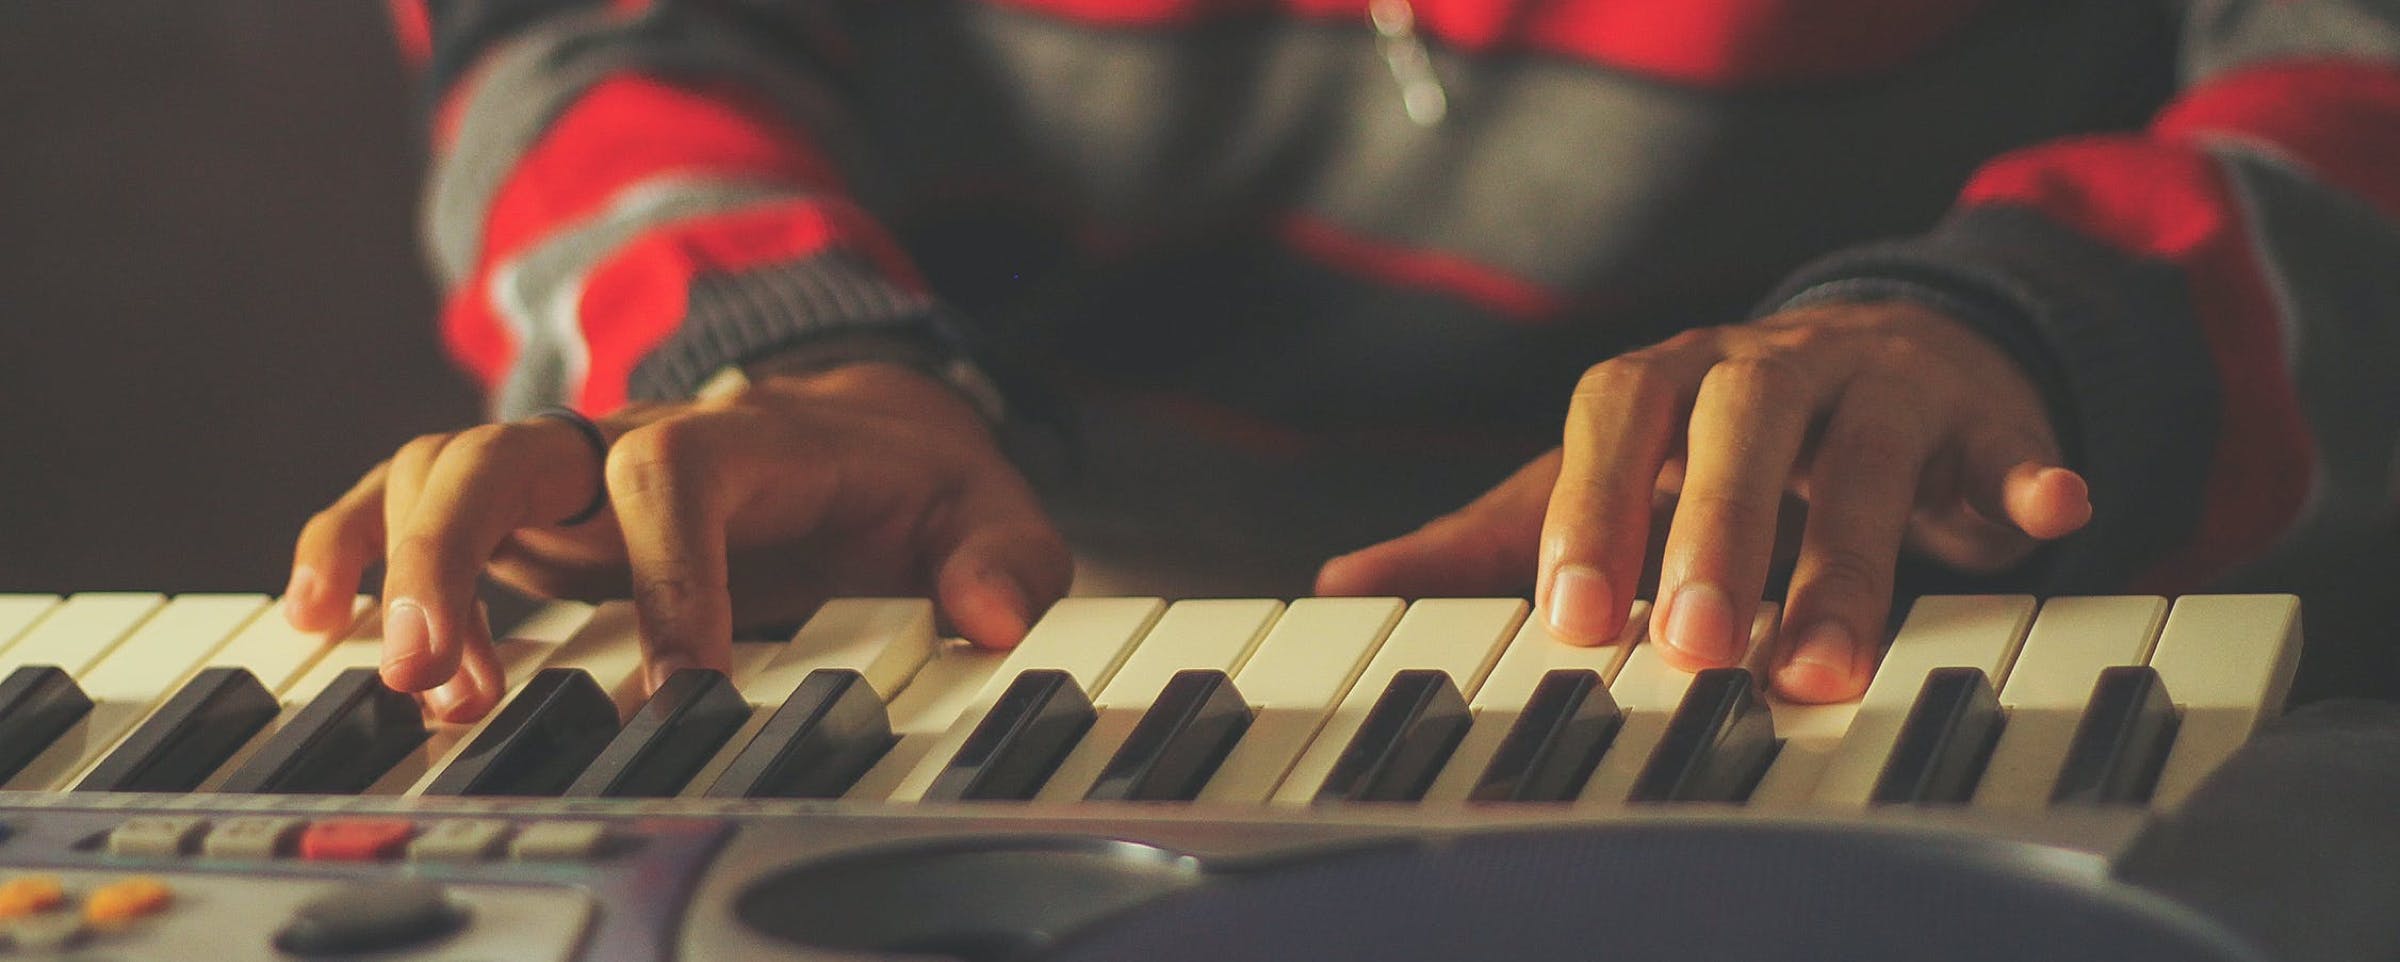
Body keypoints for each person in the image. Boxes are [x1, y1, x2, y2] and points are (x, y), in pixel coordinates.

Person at [284, 0, 2400, 723]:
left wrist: (2035, 325)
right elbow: (598, 36)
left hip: (1993, 602)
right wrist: (774, 347)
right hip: (991, 612)